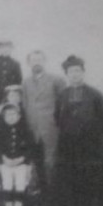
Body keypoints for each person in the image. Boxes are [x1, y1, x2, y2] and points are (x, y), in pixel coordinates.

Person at [52, 55, 103, 206]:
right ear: (67, 74)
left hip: (91, 146)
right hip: (68, 146)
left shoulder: (96, 95)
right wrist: (69, 132)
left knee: (89, 178)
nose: (75, 74)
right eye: (71, 71)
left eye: (78, 71)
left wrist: (94, 135)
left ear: (83, 72)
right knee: (69, 177)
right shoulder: (63, 95)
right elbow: (57, 118)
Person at [22, 49, 65, 189]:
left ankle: (55, 193)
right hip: (32, 129)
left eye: (39, 60)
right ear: (29, 63)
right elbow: (25, 104)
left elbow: (63, 105)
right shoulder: (26, 82)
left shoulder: (56, 80)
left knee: (51, 162)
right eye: (33, 61)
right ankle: (42, 192)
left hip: (50, 128)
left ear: (44, 61)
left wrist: (58, 124)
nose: (36, 63)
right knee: (37, 161)